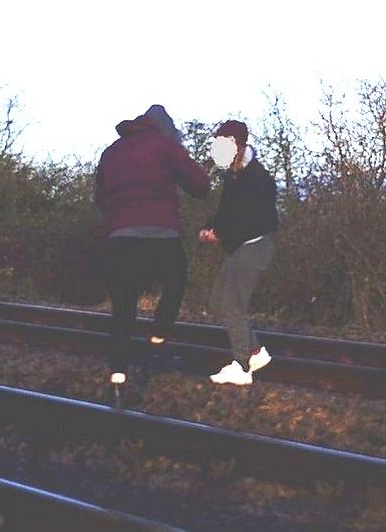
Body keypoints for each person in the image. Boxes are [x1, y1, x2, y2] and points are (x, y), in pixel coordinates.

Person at [95, 104, 210, 403]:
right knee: (175, 284)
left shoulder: (111, 151)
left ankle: (117, 380)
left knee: (123, 310)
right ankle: (157, 341)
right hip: (161, 235)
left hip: (120, 238)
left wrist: (120, 218)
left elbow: (100, 197)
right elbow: (199, 186)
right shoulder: (166, 145)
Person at [199, 120, 278, 385]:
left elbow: (253, 219)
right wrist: (211, 227)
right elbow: (226, 213)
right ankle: (255, 352)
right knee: (219, 301)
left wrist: (221, 233)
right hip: (245, 246)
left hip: (255, 246)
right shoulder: (234, 176)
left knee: (232, 305)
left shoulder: (256, 178)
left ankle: (242, 367)